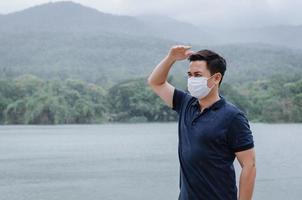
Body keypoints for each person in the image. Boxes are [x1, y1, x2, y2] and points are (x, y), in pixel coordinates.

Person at [147, 45, 256, 200]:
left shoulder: (233, 117)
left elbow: (249, 165)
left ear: (216, 78)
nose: (192, 80)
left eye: (198, 75)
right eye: (190, 75)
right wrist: (171, 58)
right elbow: (156, 82)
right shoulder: (185, 103)